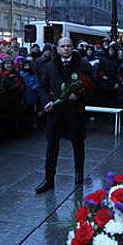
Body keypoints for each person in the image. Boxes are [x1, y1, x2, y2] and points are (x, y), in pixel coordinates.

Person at [35, 38, 92, 193]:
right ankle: (48, 179)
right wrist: (46, 101)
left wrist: (79, 95)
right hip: (56, 113)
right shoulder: (49, 66)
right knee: (51, 147)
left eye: (69, 46)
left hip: (75, 112)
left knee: (78, 145)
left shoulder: (83, 65)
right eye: (63, 46)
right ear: (58, 49)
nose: (66, 49)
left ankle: (79, 174)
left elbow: (91, 87)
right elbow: (41, 86)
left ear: (73, 48)